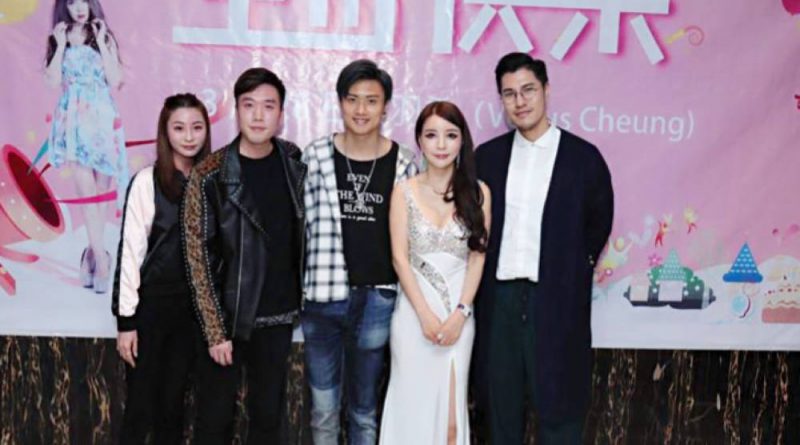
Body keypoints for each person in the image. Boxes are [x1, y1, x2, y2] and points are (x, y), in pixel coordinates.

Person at [473, 52, 614, 444]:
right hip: (498, 301)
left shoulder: (583, 158)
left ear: (546, 90)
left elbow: (598, 221)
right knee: (500, 409)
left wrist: (571, 269)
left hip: (554, 301)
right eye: (509, 93)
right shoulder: (487, 158)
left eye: (528, 90)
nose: (520, 101)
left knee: (561, 407)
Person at [181, 68, 306, 444]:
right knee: (215, 420)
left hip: (278, 315)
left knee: (267, 420)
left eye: (268, 106)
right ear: (237, 110)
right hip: (227, 320)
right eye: (249, 105)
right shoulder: (209, 174)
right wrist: (215, 330)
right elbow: (197, 258)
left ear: (281, 114)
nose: (258, 115)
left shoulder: (292, 162)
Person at [301, 59, 418, 444]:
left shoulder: (404, 163)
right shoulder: (315, 156)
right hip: (321, 298)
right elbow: (299, 229)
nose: (361, 109)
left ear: (386, 107)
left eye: (371, 100)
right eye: (352, 99)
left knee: (364, 412)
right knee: (323, 411)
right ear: (340, 103)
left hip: (377, 299)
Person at [379, 101, 490, 445]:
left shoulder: (478, 193)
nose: (441, 145)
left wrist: (461, 313)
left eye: (450, 135)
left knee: (451, 426)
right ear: (419, 141)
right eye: (431, 135)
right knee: (411, 414)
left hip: (459, 316)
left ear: (462, 140)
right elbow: (400, 258)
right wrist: (424, 316)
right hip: (413, 318)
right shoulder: (404, 192)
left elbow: (477, 258)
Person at [112, 93, 211, 444]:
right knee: (140, 408)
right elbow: (130, 254)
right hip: (150, 310)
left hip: (191, 313)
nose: (189, 136)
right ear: (165, 132)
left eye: (197, 127)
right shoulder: (146, 181)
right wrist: (126, 322)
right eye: (179, 128)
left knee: (173, 408)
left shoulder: (211, 182)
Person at [45, 0, 128, 294]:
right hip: (74, 122)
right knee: (89, 196)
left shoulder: (103, 36)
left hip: (103, 119)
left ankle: (91, 256)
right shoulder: (59, 37)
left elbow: (116, 80)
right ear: (65, 6)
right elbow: (53, 82)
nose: (79, 7)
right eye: (72, 1)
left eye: (84, 0)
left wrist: (104, 43)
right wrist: (59, 45)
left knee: (100, 197)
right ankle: (102, 262)